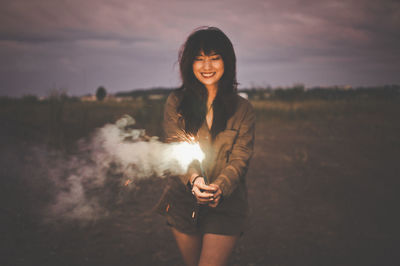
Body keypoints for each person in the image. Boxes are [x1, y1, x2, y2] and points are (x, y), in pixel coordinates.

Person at [156, 26, 255, 266]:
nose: (207, 66)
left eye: (214, 58)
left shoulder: (242, 108)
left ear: (227, 61)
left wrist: (219, 187)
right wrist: (195, 180)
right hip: (182, 200)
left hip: (226, 201)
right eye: (199, 59)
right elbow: (175, 148)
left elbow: (240, 158)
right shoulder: (176, 102)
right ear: (190, 64)